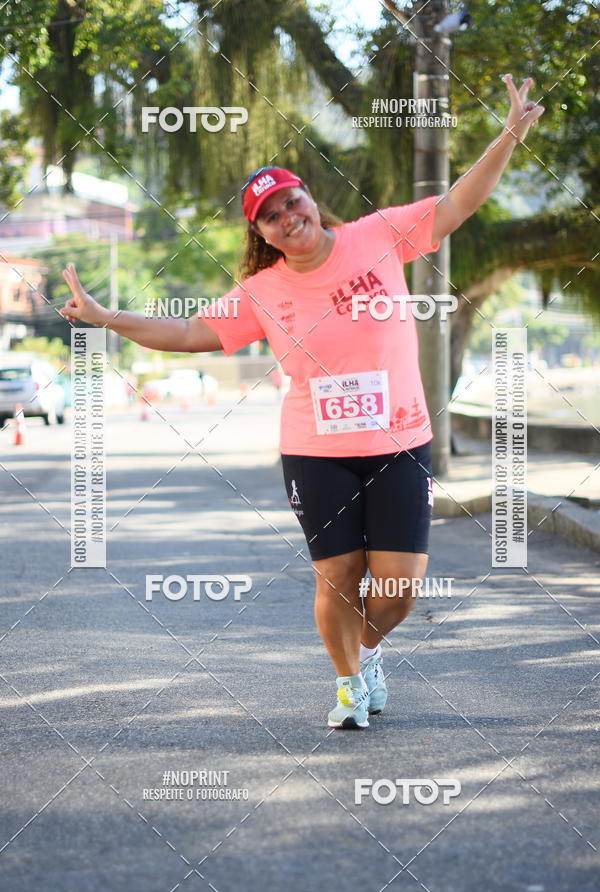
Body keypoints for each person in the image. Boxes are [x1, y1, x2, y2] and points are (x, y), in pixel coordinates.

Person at [60, 75, 544, 729]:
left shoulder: (380, 235)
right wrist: (103, 316)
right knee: (337, 573)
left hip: (400, 440)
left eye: (294, 200)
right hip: (316, 452)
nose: (291, 216)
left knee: (398, 587)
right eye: (273, 214)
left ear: (312, 198)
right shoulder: (263, 291)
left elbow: (459, 202)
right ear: (263, 231)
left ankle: (368, 650)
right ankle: (348, 685)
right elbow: (183, 332)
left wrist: (509, 134)